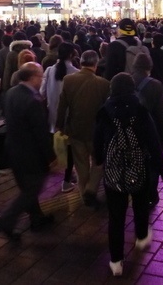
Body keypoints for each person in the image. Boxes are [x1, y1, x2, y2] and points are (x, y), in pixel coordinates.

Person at [94, 73, 163, 276]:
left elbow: (98, 139)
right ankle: (142, 236)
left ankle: (116, 261)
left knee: (116, 217)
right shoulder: (141, 109)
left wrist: (99, 159)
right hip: (139, 167)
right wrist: (162, 169)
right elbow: (153, 141)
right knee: (140, 204)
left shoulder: (105, 111)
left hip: (113, 170)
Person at [0, 62, 56, 240]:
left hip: (12, 147)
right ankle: (6, 220)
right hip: (30, 153)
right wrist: (51, 157)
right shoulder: (33, 100)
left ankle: (37, 217)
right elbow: (40, 133)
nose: (41, 79)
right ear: (31, 77)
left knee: (27, 187)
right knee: (31, 189)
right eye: (40, 76)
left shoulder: (11, 93)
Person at [56, 50, 110, 208]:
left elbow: (62, 106)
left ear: (81, 63)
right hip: (96, 131)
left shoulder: (68, 80)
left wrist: (60, 126)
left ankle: (84, 194)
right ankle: (91, 190)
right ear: (96, 63)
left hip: (75, 129)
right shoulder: (103, 83)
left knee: (81, 165)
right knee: (99, 162)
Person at [131, 53, 163, 208]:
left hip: (131, 130)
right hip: (151, 131)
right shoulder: (155, 85)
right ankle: (151, 194)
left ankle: (135, 188)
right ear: (150, 67)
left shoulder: (125, 79)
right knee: (152, 163)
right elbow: (162, 113)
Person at [41, 42, 79, 193]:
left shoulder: (49, 70)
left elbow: (42, 92)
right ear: (72, 55)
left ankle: (66, 175)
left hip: (53, 115)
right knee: (70, 147)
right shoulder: (75, 72)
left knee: (58, 144)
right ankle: (67, 179)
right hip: (69, 116)